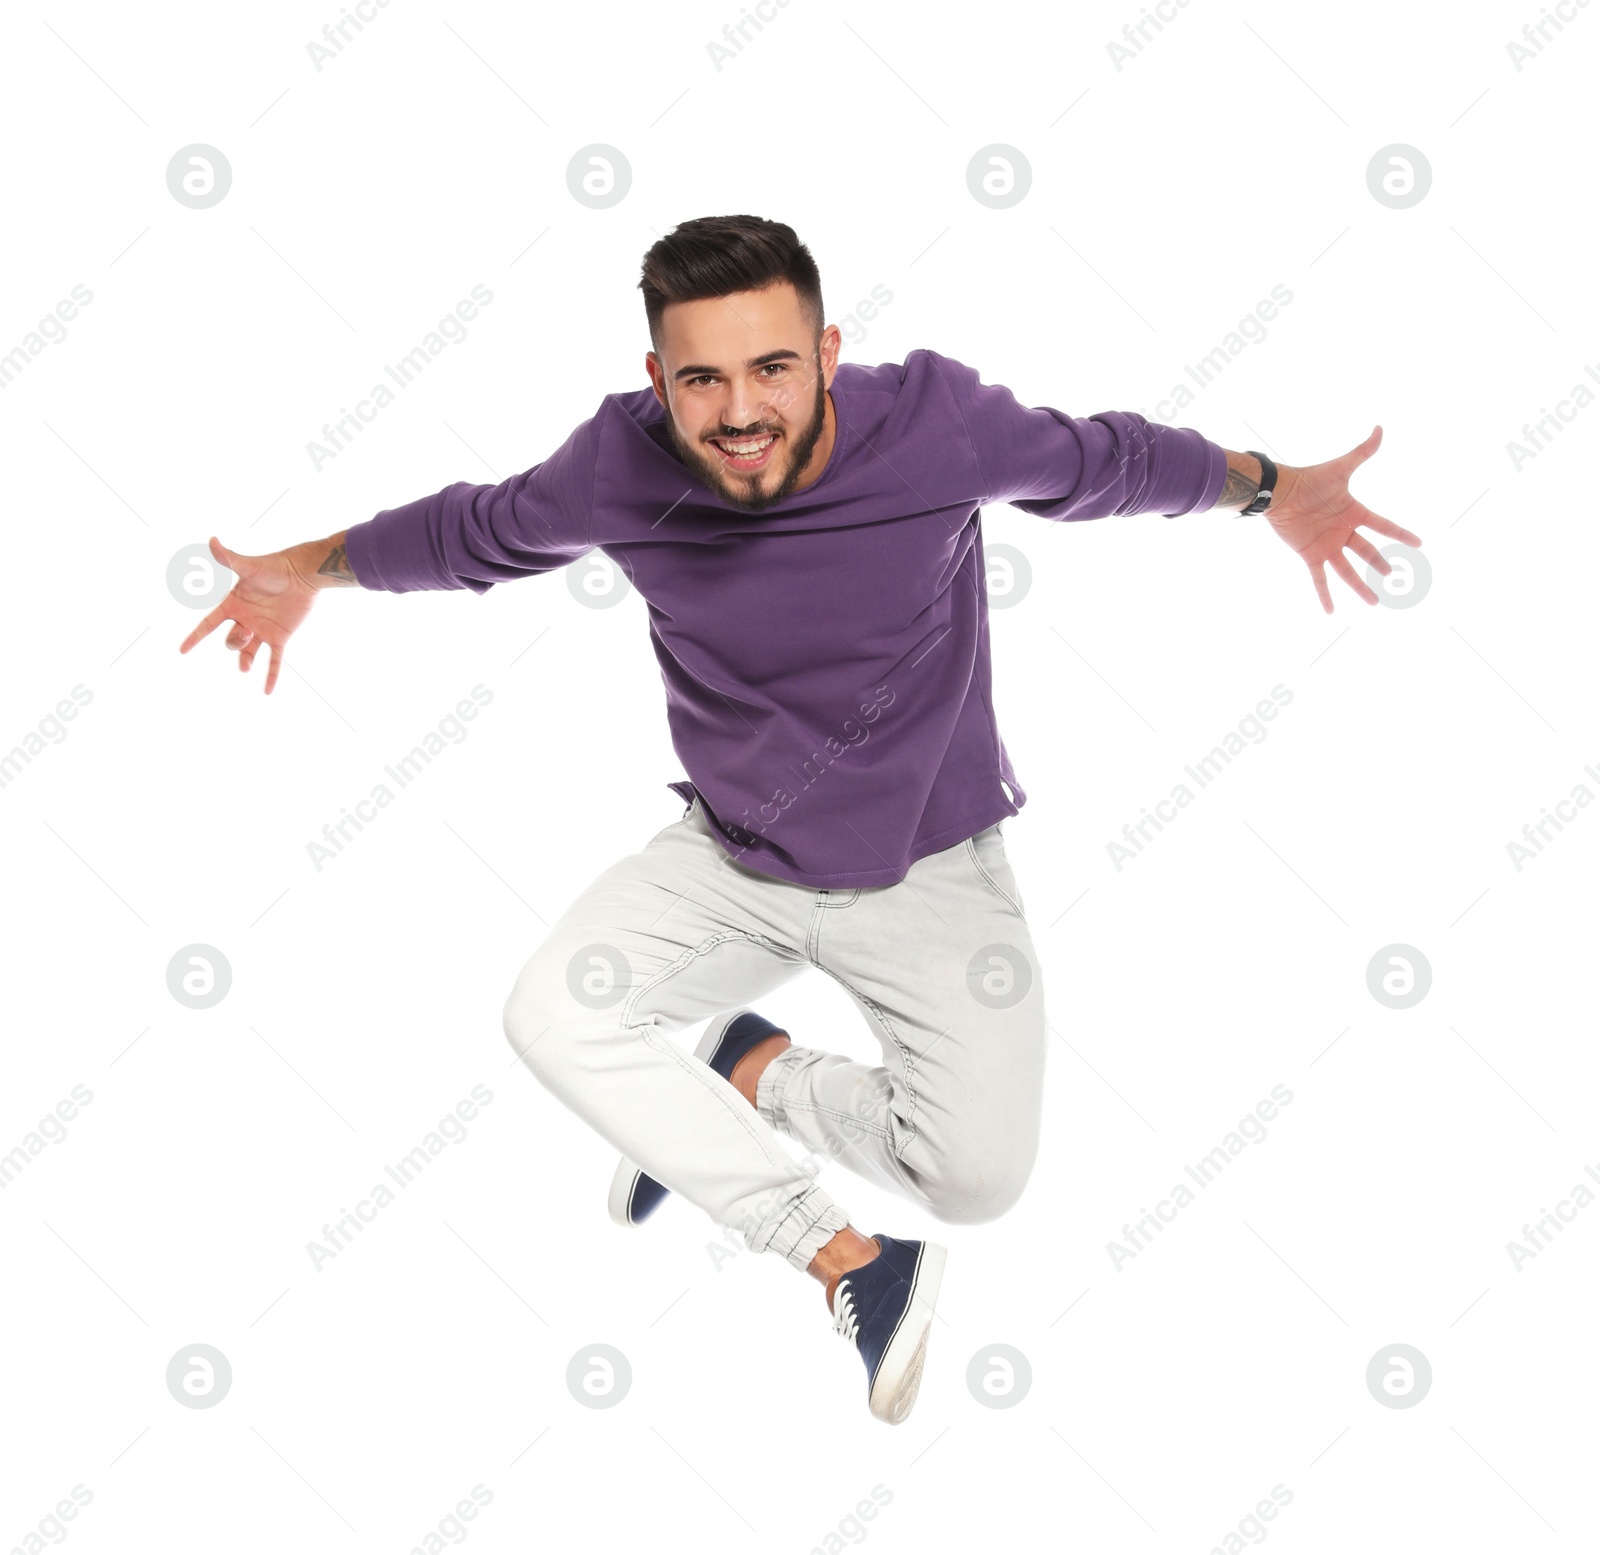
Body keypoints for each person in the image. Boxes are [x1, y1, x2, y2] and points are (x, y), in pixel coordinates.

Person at [179, 214, 1421, 1425]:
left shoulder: (936, 428)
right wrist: (302, 567)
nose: (737, 411)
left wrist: (1272, 493)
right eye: (701, 378)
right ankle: (843, 1262)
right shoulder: (620, 466)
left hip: (930, 868)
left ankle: (749, 1070)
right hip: (736, 860)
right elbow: (468, 533)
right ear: (656, 378)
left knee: (977, 1180)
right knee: (552, 1010)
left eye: (773, 366)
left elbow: (1106, 461)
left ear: (827, 355)